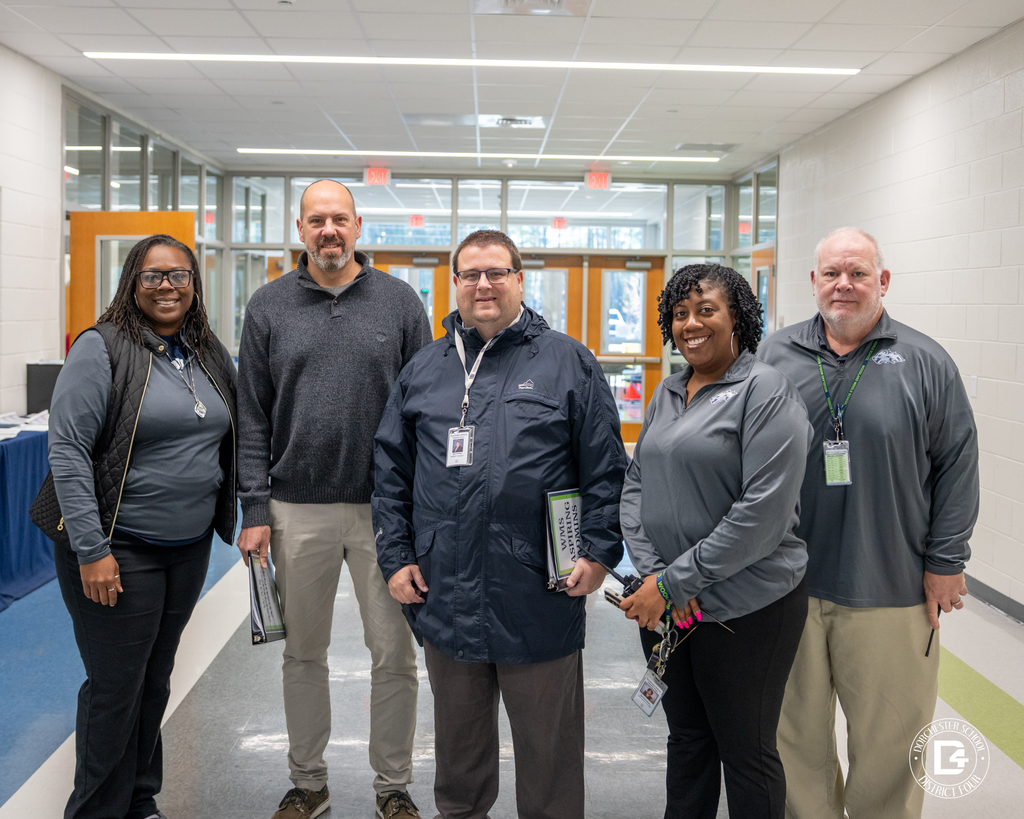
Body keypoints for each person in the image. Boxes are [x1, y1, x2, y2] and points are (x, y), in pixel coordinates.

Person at [373, 229, 627, 819]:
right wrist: (396, 556)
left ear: (519, 278)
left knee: (550, 754)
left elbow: (607, 468)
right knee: (458, 759)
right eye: (470, 274)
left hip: (539, 587)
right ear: (455, 283)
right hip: (445, 589)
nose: (482, 285)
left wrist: (597, 552)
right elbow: (389, 473)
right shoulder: (426, 369)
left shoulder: (568, 362)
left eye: (495, 273)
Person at [757, 227, 979, 819]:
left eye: (858, 272)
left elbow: (958, 464)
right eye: (832, 273)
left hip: (892, 586)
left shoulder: (926, 362)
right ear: (813, 282)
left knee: (892, 746)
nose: (844, 285)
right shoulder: (774, 357)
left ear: (883, 281)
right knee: (793, 743)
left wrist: (946, 562)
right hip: (786, 588)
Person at [235, 179, 432, 819]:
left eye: (339, 219)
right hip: (297, 509)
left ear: (357, 225)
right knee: (302, 652)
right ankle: (308, 782)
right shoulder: (267, 307)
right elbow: (252, 417)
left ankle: (392, 788)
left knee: (396, 655)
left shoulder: (401, 303)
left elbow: (422, 412)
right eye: (317, 220)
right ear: (300, 229)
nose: (329, 230)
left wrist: (421, 510)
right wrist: (256, 510)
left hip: (386, 512)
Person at [45, 234, 236, 819]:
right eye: (152, 277)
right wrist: (90, 548)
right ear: (132, 283)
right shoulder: (102, 348)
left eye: (178, 275)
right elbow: (68, 449)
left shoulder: (206, 349)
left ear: (194, 284)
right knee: (114, 687)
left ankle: (138, 799)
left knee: (154, 680)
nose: (167, 287)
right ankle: (96, 809)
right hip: (117, 547)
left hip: (187, 547)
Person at [619, 263, 813, 819]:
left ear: (738, 319)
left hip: (747, 606)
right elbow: (636, 486)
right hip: (670, 605)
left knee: (745, 751)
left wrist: (676, 581)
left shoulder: (766, 390)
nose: (691, 324)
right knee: (687, 741)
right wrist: (658, 578)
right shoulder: (669, 389)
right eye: (680, 314)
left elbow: (763, 513)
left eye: (707, 310)